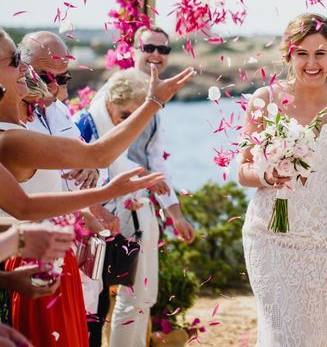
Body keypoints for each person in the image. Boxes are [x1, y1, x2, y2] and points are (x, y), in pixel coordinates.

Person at [0, 27, 193, 347]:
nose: (25, 70)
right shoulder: (11, 138)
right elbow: (94, 156)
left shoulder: (36, 115)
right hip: (30, 254)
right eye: (16, 61)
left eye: (64, 79)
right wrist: (154, 101)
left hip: (48, 251)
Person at [238, 13, 327, 346]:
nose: (312, 63)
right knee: (283, 335)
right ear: (288, 55)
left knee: (321, 335)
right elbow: (242, 169)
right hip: (270, 237)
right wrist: (266, 174)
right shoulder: (264, 100)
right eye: (302, 53)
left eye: (320, 53)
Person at [89, 27, 195, 347]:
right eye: (149, 47)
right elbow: (103, 151)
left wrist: (175, 213)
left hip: (143, 205)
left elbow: (155, 158)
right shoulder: (113, 91)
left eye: (164, 50)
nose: (156, 55)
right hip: (116, 205)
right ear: (134, 49)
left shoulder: (156, 99)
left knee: (145, 295)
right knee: (128, 292)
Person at [77, 68, 167, 347]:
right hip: (87, 223)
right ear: (110, 102)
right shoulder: (86, 125)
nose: (129, 125)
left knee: (111, 299)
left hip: (112, 222)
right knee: (93, 304)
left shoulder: (114, 126)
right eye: (125, 116)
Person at [20, 32, 100, 192]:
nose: (55, 88)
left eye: (62, 79)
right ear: (23, 69)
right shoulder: (12, 118)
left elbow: (87, 155)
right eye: (45, 78)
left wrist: (94, 169)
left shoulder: (62, 110)